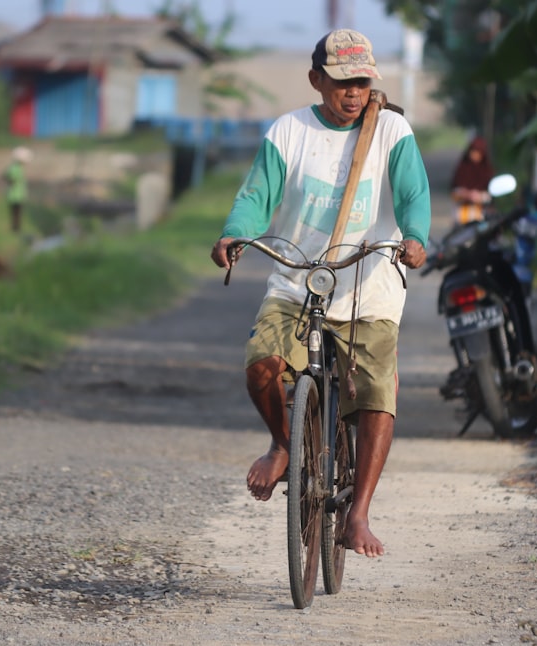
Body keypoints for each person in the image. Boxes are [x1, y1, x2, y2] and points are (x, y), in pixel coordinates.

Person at [210, 28, 431, 558]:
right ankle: (284, 444)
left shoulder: (391, 131)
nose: (353, 92)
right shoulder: (288, 132)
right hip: (298, 278)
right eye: (341, 82)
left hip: (369, 282)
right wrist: (235, 234)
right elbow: (256, 196)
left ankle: (358, 515)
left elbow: (413, 194)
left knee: (377, 393)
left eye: (361, 81)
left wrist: (417, 238)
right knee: (262, 363)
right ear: (316, 81)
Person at [449, 136, 495, 225]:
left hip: (481, 217)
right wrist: (465, 194)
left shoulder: (487, 171)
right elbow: (454, 191)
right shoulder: (462, 169)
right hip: (461, 217)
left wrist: (479, 196)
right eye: (473, 151)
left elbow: (491, 195)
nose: (474, 155)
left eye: (478, 152)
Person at [4, 146, 32, 233]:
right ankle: (16, 228)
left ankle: (16, 228)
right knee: (16, 213)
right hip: (15, 195)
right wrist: (14, 181)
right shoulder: (15, 167)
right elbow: (8, 177)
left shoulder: (18, 168)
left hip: (18, 194)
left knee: (17, 213)